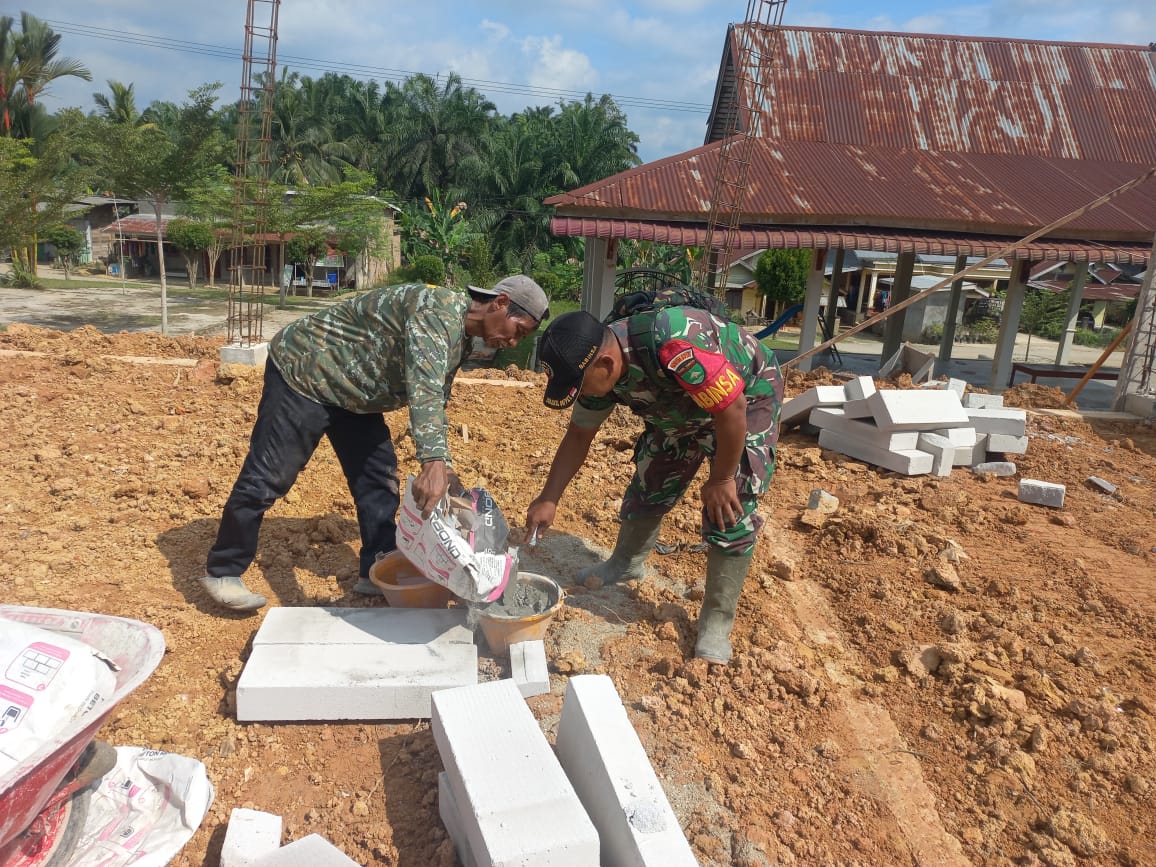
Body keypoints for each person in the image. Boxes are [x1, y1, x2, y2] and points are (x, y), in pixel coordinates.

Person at [201, 275, 550, 612]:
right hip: (307, 373)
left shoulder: (460, 334)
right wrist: (433, 462)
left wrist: (444, 466)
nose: (514, 342)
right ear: (500, 304)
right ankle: (224, 570)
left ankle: (376, 571)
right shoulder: (438, 313)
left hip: (354, 394)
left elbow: (437, 397)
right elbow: (423, 390)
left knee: (377, 480)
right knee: (268, 476)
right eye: (518, 331)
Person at [525, 304, 783, 665]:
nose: (581, 393)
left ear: (606, 366)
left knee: (730, 503)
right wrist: (548, 497)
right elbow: (580, 433)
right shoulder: (598, 369)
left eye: (579, 385)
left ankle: (716, 620)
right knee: (651, 477)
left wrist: (722, 478)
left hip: (744, 400)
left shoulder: (675, 345)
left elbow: (732, 409)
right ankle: (626, 563)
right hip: (683, 406)